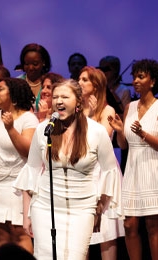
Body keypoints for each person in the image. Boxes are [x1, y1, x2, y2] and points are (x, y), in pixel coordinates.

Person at [14, 79, 122, 260]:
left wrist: (100, 207)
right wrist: (27, 214)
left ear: (78, 101)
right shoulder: (44, 130)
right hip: (45, 206)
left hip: (82, 208)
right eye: (55, 97)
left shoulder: (96, 132)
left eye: (65, 96)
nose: (59, 101)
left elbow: (110, 172)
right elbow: (31, 171)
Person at [0, 78, 38, 260]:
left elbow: (29, 151)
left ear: (13, 93)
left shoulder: (28, 118)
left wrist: (11, 128)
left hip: (15, 184)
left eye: (0, 89)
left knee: (18, 233)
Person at [108, 59, 158, 260]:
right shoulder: (129, 107)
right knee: (129, 224)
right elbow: (123, 145)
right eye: (134, 76)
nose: (135, 80)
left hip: (152, 168)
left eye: (141, 76)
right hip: (133, 169)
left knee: (153, 226)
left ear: (152, 81)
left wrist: (143, 133)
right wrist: (120, 132)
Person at [78, 66, 125, 260]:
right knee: (82, 233)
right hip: (83, 171)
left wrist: (89, 116)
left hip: (102, 173)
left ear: (95, 85)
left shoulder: (108, 109)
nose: (79, 82)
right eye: (79, 79)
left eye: (84, 79)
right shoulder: (78, 110)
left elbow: (101, 140)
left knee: (106, 231)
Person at [16, 43, 52, 116]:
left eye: (35, 64)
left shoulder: (49, 82)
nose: (31, 68)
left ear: (43, 62)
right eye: (26, 64)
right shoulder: (16, 83)